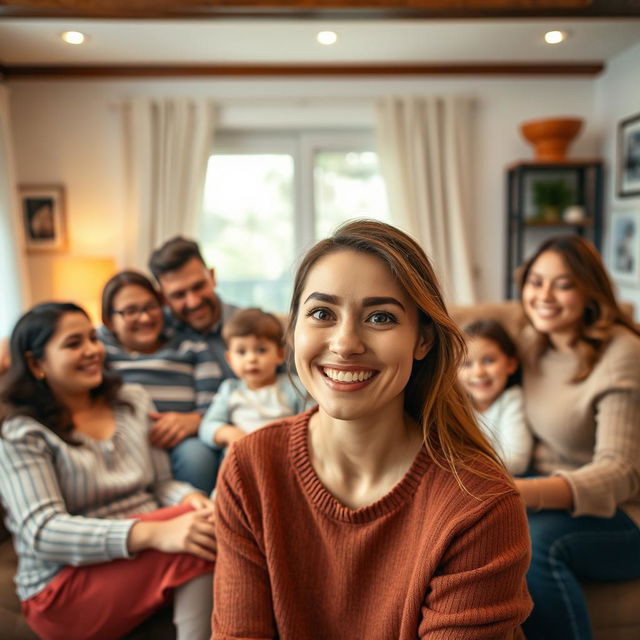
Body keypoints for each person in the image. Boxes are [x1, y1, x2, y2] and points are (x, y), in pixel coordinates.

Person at [213, 220, 532, 639]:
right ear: (293, 331)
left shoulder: (480, 503)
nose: (346, 344)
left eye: (380, 317)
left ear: (423, 341)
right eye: (322, 313)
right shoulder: (249, 467)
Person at [0, 302, 216, 640]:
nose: (92, 351)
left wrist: (189, 497)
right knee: (207, 537)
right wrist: (156, 533)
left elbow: (161, 483)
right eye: (74, 344)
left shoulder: (132, 400)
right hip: (61, 585)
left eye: (92, 338)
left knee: (210, 521)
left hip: (139, 558)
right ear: (35, 363)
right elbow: (41, 531)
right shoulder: (22, 432)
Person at [512, 235, 640, 640]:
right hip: (557, 492)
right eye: (535, 281)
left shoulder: (622, 353)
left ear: (589, 291)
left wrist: (521, 493)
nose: (544, 295)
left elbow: (620, 472)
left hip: (627, 513)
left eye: (563, 284)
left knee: (534, 545)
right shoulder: (532, 343)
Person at [100, 270, 221, 494]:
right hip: (123, 444)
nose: (145, 318)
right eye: (130, 311)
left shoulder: (190, 347)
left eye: (150, 306)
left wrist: (197, 419)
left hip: (182, 442)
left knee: (197, 456)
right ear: (109, 321)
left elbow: (216, 399)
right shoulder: (100, 352)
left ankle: (202, 518)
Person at [199, 307, 311, 451]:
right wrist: (228, 433)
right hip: (241, 460)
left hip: (282, 456)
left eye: (261, 350)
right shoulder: (230, 390)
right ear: (229, 359)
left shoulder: (293, 386)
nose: (251, 359)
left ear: (279, 355)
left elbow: (313, 420)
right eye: (241, 352)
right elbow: (207, 426)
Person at [458, 318, 532, 476]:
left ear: (511, 364)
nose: (478, 372)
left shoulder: (511, 400)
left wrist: (466, 466)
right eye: (466, 364)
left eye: (488, 360)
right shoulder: (456, 405)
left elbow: (518, 461)